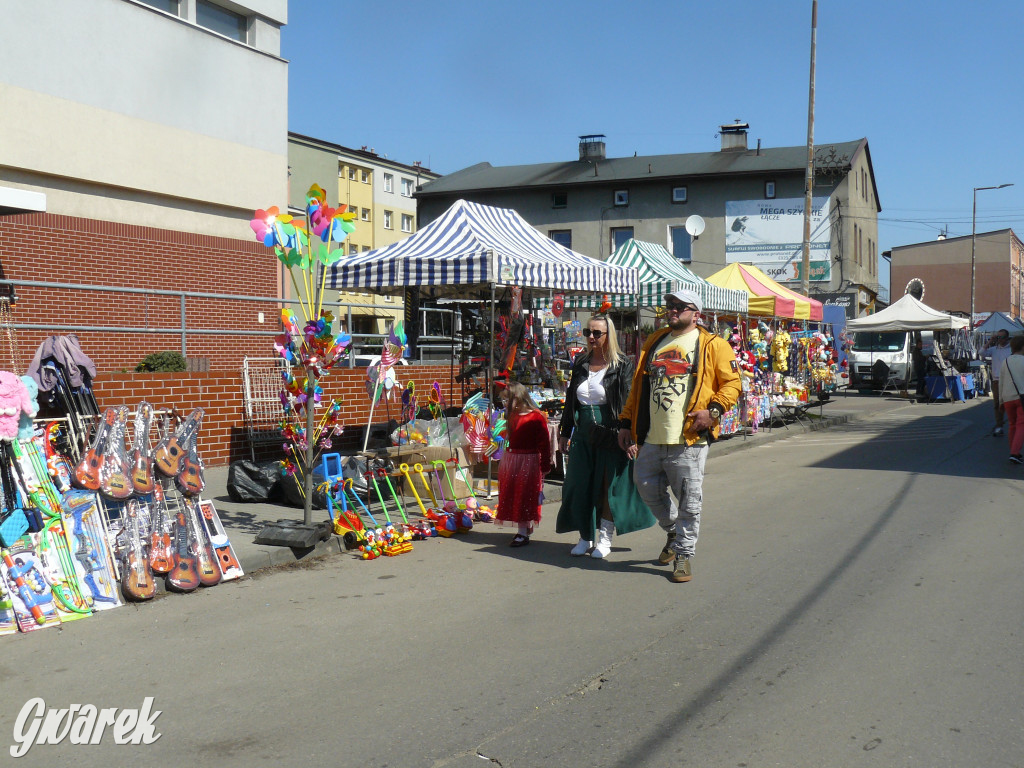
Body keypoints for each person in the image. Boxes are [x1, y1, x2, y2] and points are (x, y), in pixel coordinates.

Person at [617, 288, 741, 583]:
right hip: (652, 435)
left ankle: (684, 554)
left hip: (688, 438)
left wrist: (712, 412)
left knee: (689, 500)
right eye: (669, 305)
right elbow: (638, 389)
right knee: (644, 485)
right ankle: (674, 531)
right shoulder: (654, 341)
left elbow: (732, 384)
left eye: (680, 306)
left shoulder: (713, 344)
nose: (672, 309)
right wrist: (625, 422)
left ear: (696, 314)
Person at [555, 314, 655, 559]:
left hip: (612, 433)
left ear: (609, 335)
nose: (591, 337)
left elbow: (630, 401)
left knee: (607, 487)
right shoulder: (580, 362)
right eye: (588, 332)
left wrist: (630, 434)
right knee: (579, 485)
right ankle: (584, 536)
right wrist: (565, 431)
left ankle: (605, 539)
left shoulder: (622, 364)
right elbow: (571, 401)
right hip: (584, 434)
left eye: (597, 333)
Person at [495, 380, 553, 547]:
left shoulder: (536, 417)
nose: (504, 403)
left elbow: (544, 443)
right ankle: (524, 527)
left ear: (518, 398)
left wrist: (545, 465)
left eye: (507, 400)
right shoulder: (512, 415)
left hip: (529, 460)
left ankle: (522, 531)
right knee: (514, 493)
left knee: (525, 494)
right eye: (503, 400)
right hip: (512, 459)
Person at [997, 335, 1024, 463]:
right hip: (1021, 397)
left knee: (1012, 425)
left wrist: (1000, 400)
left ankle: (1013, 451)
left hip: (1007, 397)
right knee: (1021, 425)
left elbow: (1001, 382)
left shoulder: (1005, 361)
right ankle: (1015, 452)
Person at [983, 330, 1012, 435]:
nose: (1000, 339)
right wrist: (990, 341)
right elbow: (981, 352)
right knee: (997, 404)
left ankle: (1015, 424)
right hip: (997, 380)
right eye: (998, 337)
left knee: (1011, 403)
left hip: (1010, 380)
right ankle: (999, 425)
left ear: (1007, 338)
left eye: (1002, 337)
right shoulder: (993, 349)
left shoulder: (1011, 349)